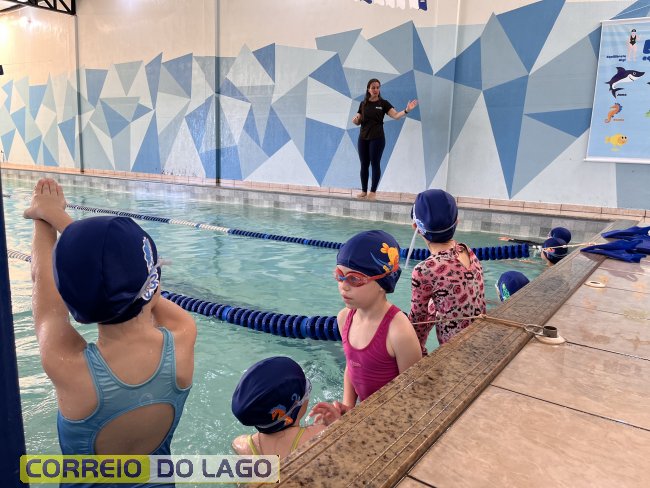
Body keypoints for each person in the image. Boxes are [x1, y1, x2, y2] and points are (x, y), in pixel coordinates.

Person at [24, 179, 197, 468]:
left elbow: (43, 286)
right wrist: (58, 216)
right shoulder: (183, 333)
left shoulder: (68, 367)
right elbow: (142, 289)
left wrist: (43, 217)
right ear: (154, 284)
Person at [309, 230, 421, 425]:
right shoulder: (345, 318)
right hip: (365, 415)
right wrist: (348, 408)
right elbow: (351, 366)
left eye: (354, 279)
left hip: (391, 420)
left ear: (382, 283)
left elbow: (412, 393)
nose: (344, 286)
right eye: (340, 276)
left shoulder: (399, 331)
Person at [408, 189, 486, 353]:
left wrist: (418, 356)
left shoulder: (424, 270)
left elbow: (417, 323)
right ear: (457, 222)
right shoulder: (467, 251)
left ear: (416, 227)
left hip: (455, 353)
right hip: (481, 339)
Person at [231, 356, 325, 458]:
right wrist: (328, 423)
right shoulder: (317, 434)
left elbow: (236, 443)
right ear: (296, 405)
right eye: (308, 390)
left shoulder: (243, 446)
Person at [352, 78, 418, 200]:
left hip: (377, 138)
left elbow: (396, 116)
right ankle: (364, 191)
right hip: (363, 138)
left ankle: (373, 192)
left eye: (378, 87)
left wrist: (407, 110)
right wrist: (355, 120)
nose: (376, 89)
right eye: (373, 87)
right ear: (368, 89)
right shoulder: (363, 104)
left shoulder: (383, 103)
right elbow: (358, 120)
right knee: (364, 164)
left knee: (375, 164)